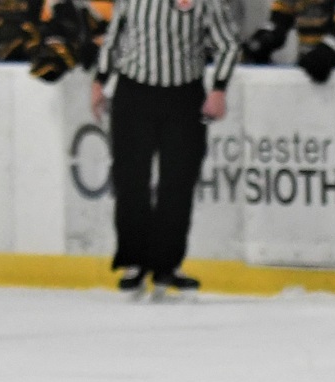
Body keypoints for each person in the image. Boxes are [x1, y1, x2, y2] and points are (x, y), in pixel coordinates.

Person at [91, 0, 237, 298]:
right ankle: (135, 261)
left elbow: (228, 44)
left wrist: (219, 89)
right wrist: (99, 80)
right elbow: (114, 38)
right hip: (134, 91)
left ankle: (166, 264)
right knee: (130, 179)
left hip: (183, 94)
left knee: (178, 182)